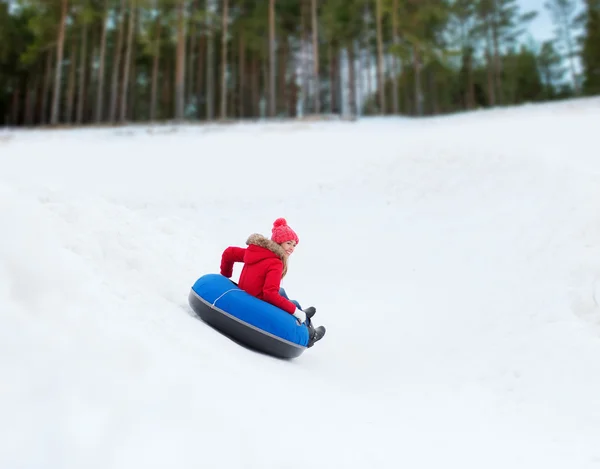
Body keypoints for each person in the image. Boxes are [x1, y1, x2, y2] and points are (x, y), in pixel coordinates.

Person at [219, 218, 326, 347]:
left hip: (246, 292)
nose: (292, 248)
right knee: (294, 305)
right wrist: (295, 312)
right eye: (288, 243)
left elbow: (229, 253)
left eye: (294, 245)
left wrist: (225, 274)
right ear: (279, 242)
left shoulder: (256, 251)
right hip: (258, 301)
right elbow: (270, 294)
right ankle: (310, 334)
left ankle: (302, 313)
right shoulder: (275, 262)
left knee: (282, 292)